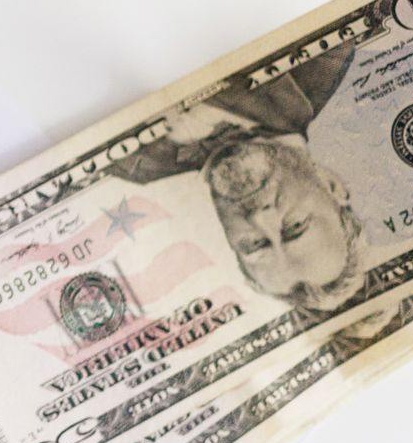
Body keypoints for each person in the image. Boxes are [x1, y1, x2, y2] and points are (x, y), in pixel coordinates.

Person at [108, 42, 368, 314]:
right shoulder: (324, 58)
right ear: (330, 185)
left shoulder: (128, 166)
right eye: (294, 226)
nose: (258, 218)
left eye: (254, 244)